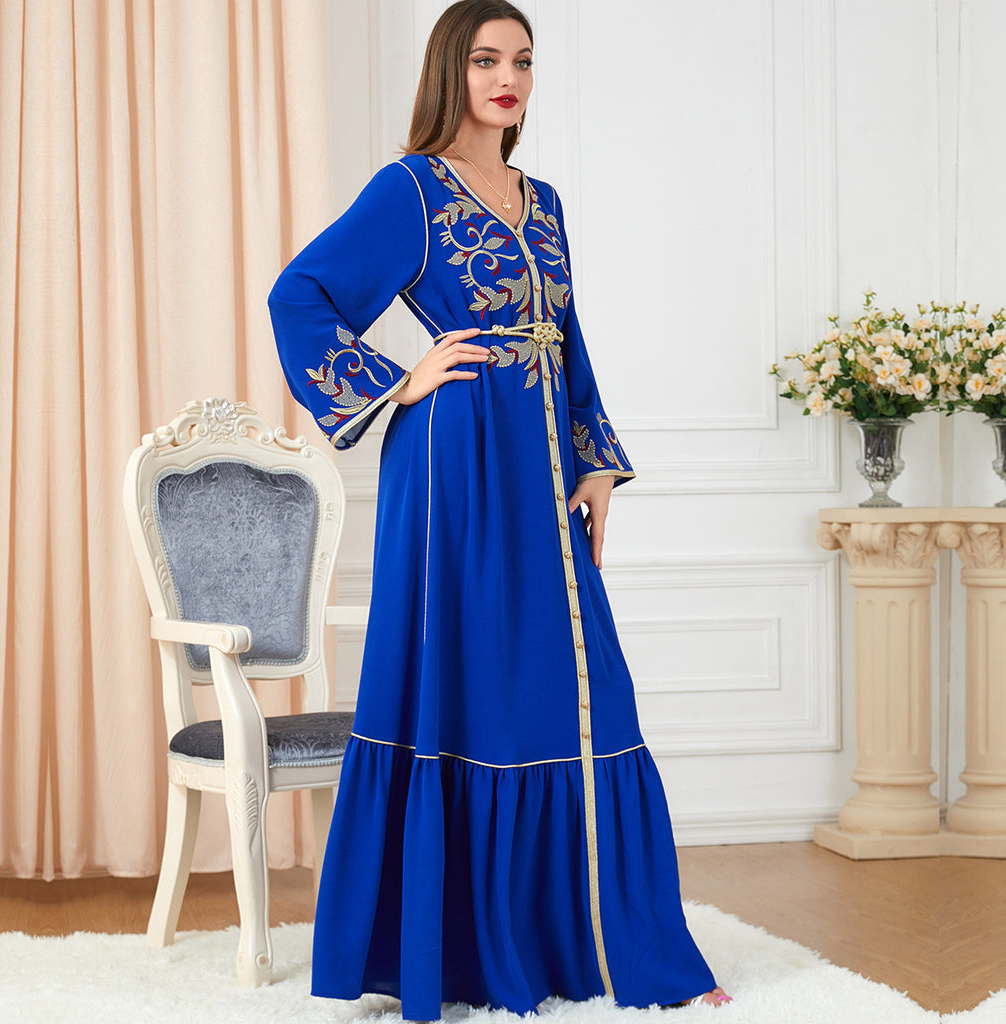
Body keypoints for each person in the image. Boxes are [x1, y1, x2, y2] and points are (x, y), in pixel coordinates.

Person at [268, 1, 731, 1018]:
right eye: (485, 59)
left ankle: (614, 943)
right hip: (455, 462)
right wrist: (399, 379)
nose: (506, 77)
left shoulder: (542, 200)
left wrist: (596, 460)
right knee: (466, 681)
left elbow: (566, 336)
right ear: (453, 70)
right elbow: (299, 295)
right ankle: (459, 951)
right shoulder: (410, 188)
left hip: (543, 459)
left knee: (584, 685)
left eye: (521, 59)